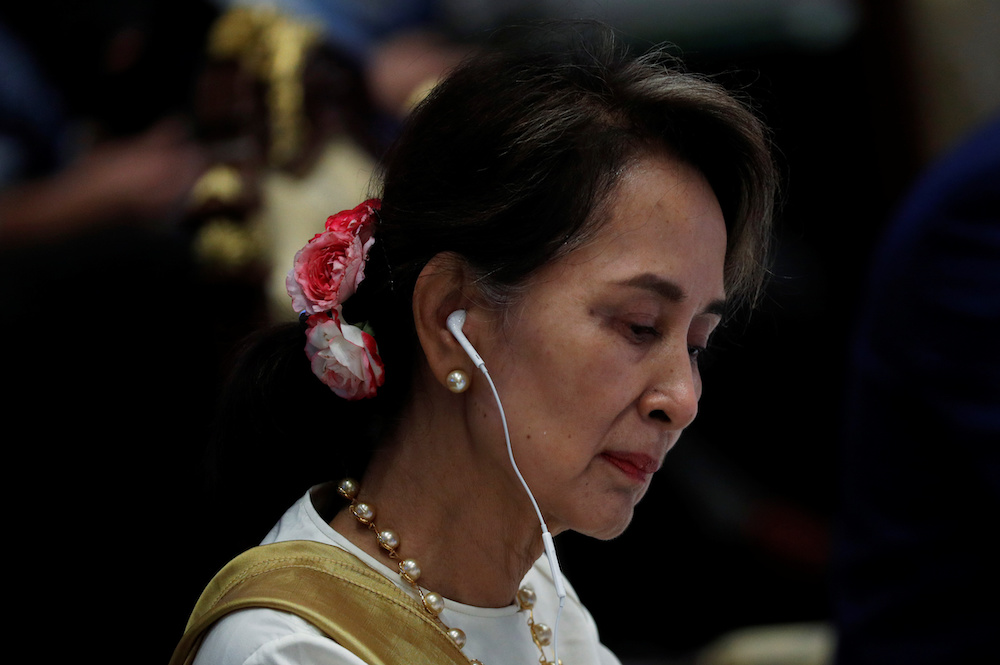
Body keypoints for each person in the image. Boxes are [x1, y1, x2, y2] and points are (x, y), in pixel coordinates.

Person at [170, 21, 778, 665]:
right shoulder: (291, 652)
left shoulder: (535, 588)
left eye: (696, 343)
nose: (680, 400)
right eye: (639, 326)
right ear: (450, 318)